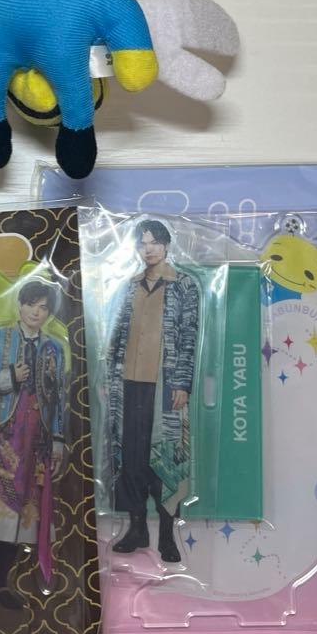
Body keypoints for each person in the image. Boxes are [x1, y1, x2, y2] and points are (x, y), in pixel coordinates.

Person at [0, 280, 66, 607]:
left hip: (36, 440)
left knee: (23, 512)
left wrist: (58, 439)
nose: (36, 312)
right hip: (3, 435)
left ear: (49, 313)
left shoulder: (54, 348)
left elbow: (58, 397)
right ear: (19, 305)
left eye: (43, 308)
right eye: (31, 305)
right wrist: (7, 377)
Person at [107, 220, 199, 563]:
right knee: (130, 458)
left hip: (164, 388)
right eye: (143, 243)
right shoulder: (129, 286)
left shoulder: (184, 285)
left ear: (167, 245)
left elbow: (189, 336)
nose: (149, 249)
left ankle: (167, 535)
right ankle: (136, 528)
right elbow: (116, 333)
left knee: (165, 459)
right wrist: (108, 378)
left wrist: (182, 383)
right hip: (128, 385)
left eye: (155, 242)